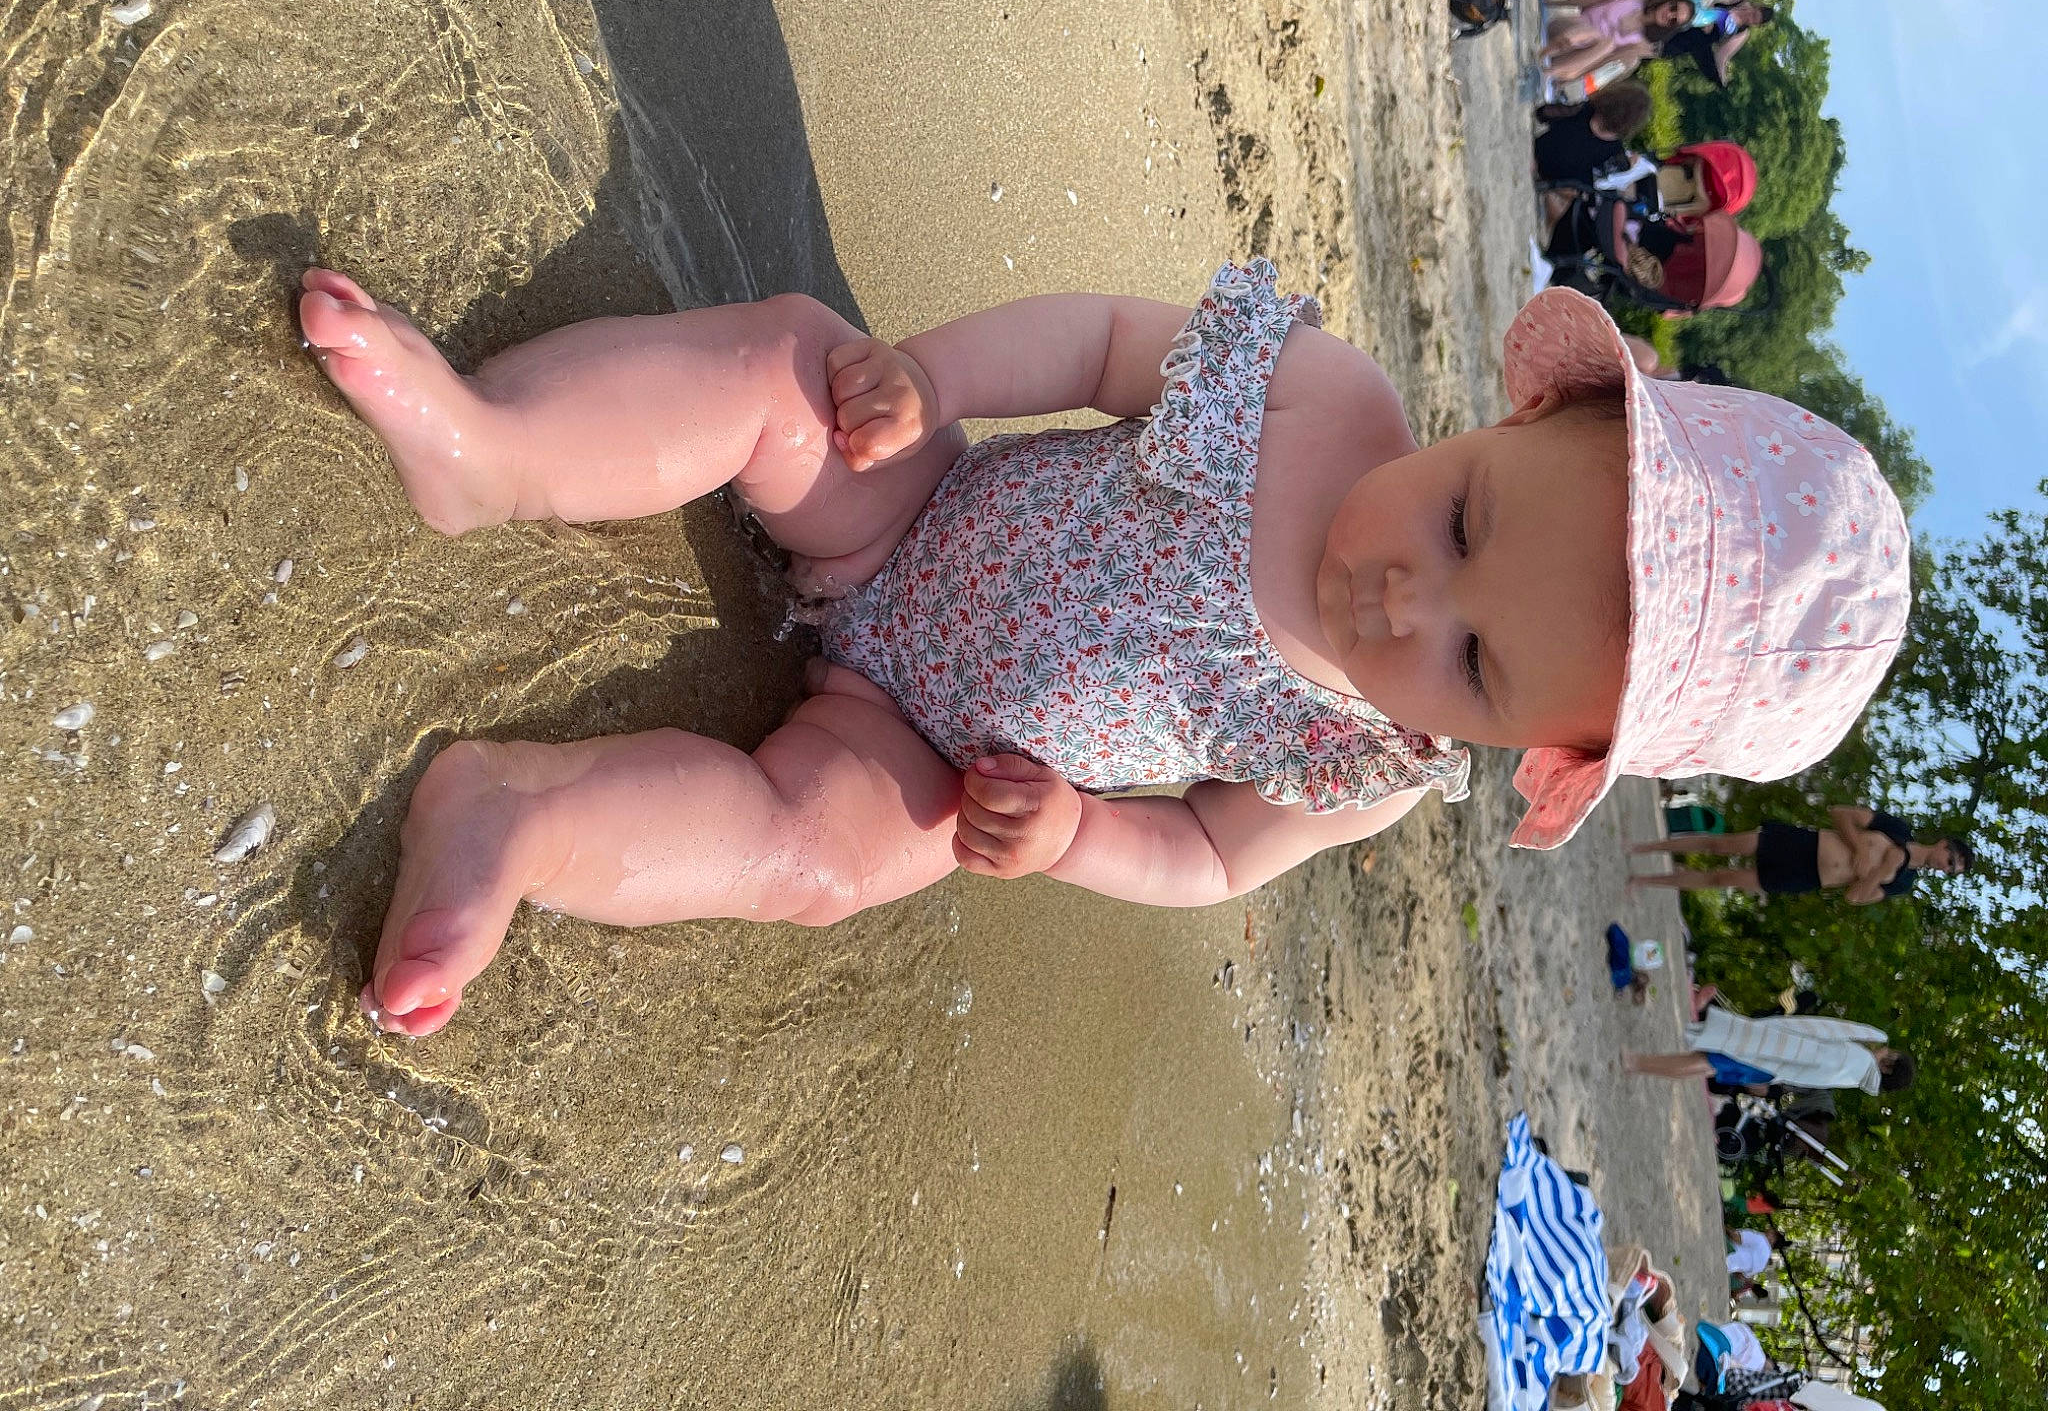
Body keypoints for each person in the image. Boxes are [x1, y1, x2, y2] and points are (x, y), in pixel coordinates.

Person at [295, 260, 1913, 1036]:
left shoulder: (1364, 765)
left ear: (1526, 750)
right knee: (792, 368)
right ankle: (488, 446)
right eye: (1469, 523)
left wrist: (1070, 832)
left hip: (922, 750)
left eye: (1476, 665)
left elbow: (1208, 855)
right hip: (912, 513)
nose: (1406, 601)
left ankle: (509, 818)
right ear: (1518, 415)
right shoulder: (1320, 398)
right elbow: (1094, 343)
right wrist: (927, 379)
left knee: (820, 858)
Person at [1628, 807, 1972, 904]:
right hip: (1805, 844)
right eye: (1951, 859)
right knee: (1722, 845)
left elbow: (1853, 897)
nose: (1947, 867)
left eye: (1952, 870)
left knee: (1722, 879)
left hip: (1808, 877)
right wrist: (1857, 848)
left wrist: (1879, 868)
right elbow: (1840, 813)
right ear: (1943, 845)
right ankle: (1646, 847)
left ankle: (1644, 880)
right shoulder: (1897, 828)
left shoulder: (1903, 883)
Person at [1626, 1007, 1915, 1095]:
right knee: (1706, 1064)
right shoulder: (1857, 1075)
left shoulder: (1859, 1060)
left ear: (1888, 1066)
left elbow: (1809, 1052)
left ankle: (1638, 1063)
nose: (1883, 1049)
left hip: (1775, 1058)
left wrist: (1769, 1042)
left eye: (1890, 1053)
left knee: (1706, 1063)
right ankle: (1640, 1064)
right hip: (1778, 1069)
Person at [1541, 0, 1695, 87]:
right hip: (1567, 29)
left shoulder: (1641, 44)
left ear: (1670, 28)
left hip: (1571, 57)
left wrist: (1568, 80)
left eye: (1673, 20)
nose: (1669, 14)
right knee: (1598, 37)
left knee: (1615, 50)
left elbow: (1602, 65)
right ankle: (1553, 69)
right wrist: (1553, 3)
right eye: (1673, 7)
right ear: (1669, 1)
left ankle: (1553, 72)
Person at [1533, 81, 1654, 185]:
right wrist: (1630, 164)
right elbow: (1603, 173)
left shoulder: (1587, 109)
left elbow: (1543, 113)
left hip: (1542, 147)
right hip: (1555, 175)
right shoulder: (1615, 150)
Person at [1660, 2, 1774, 87]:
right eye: (1753, 14)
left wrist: (1723, 79)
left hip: (1700, 38)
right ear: (1756, 7)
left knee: (1700, 51)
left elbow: (1722, 55)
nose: (1750, 18)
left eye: (1754, 21)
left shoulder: (1742, 33)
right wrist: (1708, 16)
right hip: (1699, 14)